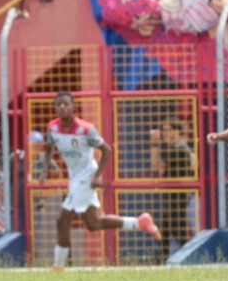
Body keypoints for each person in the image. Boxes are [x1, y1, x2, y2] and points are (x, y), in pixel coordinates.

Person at [42, 91, 161, 268]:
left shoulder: (86, 129)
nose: (62, 107)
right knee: (93, 223)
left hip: (87, 175)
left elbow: (107, 150)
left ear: (73, 106)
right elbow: (49, 148)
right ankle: (139, 223)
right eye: (58, 104)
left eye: (66, 104)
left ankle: (58, 267)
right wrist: (44, 170)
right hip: (74, 177)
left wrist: (97, 176)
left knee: (63, 219)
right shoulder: (52, 127)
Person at [151, 119, 195, 258]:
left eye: (169, 130)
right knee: (172, 230)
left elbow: (156, 164)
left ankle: (187, 258)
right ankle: (169, 259)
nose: (165, 134)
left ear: (177, 132)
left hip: (178, 197)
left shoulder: (179, 149)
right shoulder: (176, 148)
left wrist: (154, 143)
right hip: (173, 196)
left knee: (173, 231)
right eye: (163, 131)